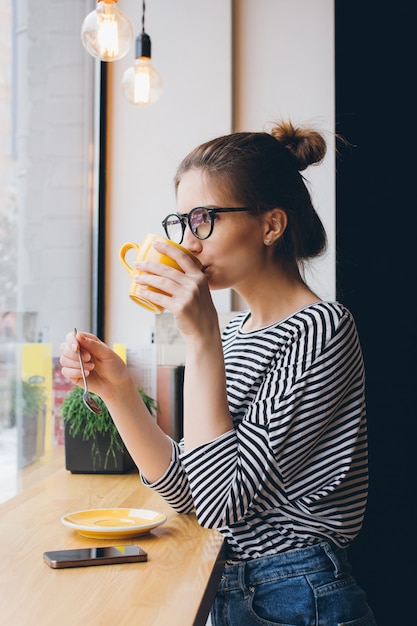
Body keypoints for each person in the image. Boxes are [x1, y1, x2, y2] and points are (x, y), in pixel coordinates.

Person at [60, 121, 376, 625]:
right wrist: (117, 390)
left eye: (204, 219)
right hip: (232, 586)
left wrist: (200, 338)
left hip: (300, 593)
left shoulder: (322, 329)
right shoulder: (231, 332)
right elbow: (188, 491)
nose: (189, 242)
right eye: (182, 222)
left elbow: (219, 501)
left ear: (272, 225)